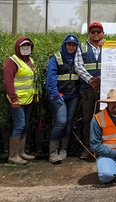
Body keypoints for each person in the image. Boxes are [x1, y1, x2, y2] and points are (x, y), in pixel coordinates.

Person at [2, 36, 38, 165]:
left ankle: (21, 153)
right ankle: (13, 156)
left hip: (27, 99)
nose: (26, 48)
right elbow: (8, 81)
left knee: (24, 125)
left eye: (28, 46)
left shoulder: (29, 60)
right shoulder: (11, 62)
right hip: (17, 100)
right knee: (19, 125)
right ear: (18, 47)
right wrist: (13, 99)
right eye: (23, 46)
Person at [46, 34, 81, 163]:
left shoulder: (78, 58)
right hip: (59, 96)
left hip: (74, 96)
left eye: (73, 45)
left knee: (69, 122)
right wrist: (55, 95)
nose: (71, 47)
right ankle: (53, 152)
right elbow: (51, 78)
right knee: (61, 121)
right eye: (69, 44)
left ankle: (63, 149)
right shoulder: (56, 58)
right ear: (64, 45)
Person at [75, 21, 105, 160]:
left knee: (103, 119)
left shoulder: (107, 47)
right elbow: (78, 66)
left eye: (98, 31)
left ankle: (103, 148)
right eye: (93, 32)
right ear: (89, 34)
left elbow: (114, 65)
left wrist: (99, 79)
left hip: (104, 89)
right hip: (88, 90)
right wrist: (91, 81)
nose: (96, 34)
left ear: (102, 33)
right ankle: (88, 148)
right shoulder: (82, 47)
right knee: (88, 119)